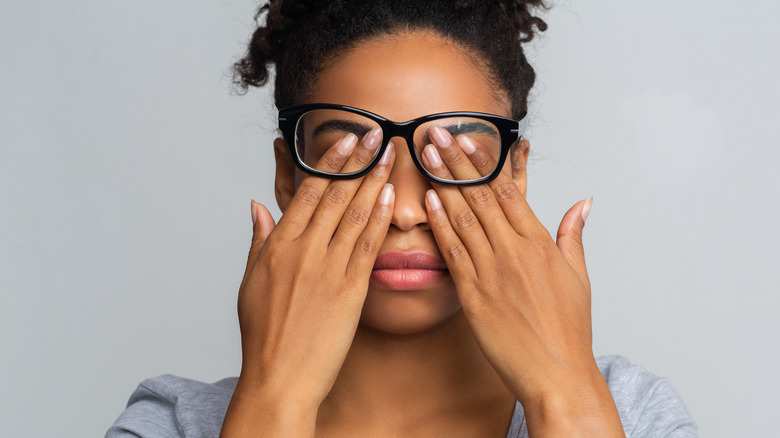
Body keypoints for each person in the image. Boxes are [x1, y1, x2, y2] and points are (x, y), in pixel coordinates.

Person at [107, 1, 696, 436]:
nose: (407, 211)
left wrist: (564, 394)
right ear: (289, 175)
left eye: (456, 159)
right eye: (354, 158)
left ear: (514, 174)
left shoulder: (630, 413)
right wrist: (275, 399)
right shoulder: (172, 424)